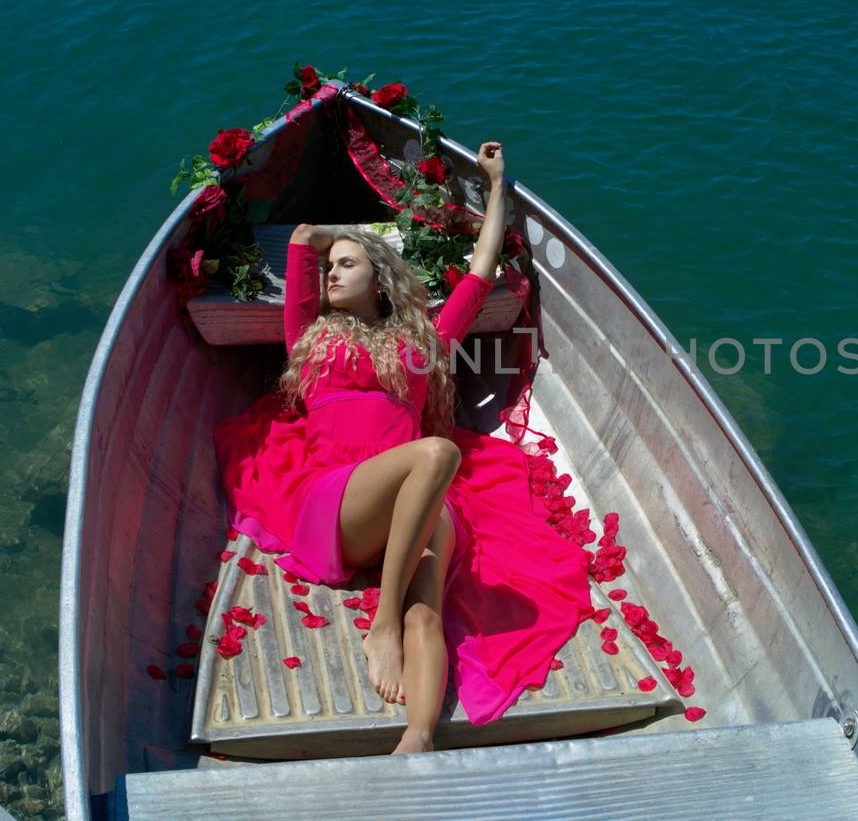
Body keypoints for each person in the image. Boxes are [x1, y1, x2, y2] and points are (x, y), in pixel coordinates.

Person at [213, 142, 592, 755]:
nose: (331, 273)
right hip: (341, 503)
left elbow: (481, 271)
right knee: (438, 454)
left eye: (347, 264)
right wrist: (317, 241)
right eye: (329, 266)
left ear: (380, 278)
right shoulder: (309, 335)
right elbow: (305, 240)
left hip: (417, 507)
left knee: (430, 613)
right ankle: (382, 618)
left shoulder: (425, 341)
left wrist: (498, 184)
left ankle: (418, 737)